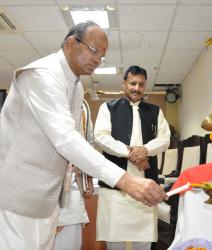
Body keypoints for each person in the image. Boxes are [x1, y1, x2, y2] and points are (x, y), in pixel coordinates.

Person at [0, 22, 166, 250]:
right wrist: (126, 180)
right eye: (94, 50)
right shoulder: (42, 76)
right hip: (17, 194)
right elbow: (66, 139)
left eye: (102, 56)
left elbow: (71, 144)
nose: (98, 60)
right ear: (71, 43)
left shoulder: (76, 87)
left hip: (47, 197)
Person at [94, 65, 171, 250]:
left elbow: (165, 139)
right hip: (115, 189)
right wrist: (130, 153)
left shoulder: (155, 111)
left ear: (145, 87)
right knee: (114, 241)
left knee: (143, 241)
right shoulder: (108, 108)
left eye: (141, 84)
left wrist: (144, 150)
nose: (137, 88)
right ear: (124, 84)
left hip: (146, 190)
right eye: (133, 83)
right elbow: (101, 137)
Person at [54, 99, 94, 250]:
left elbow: (88, 146)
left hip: (71, 191)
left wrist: (87, 180)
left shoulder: (82, 104)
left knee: (69, 242)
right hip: (43, 193)